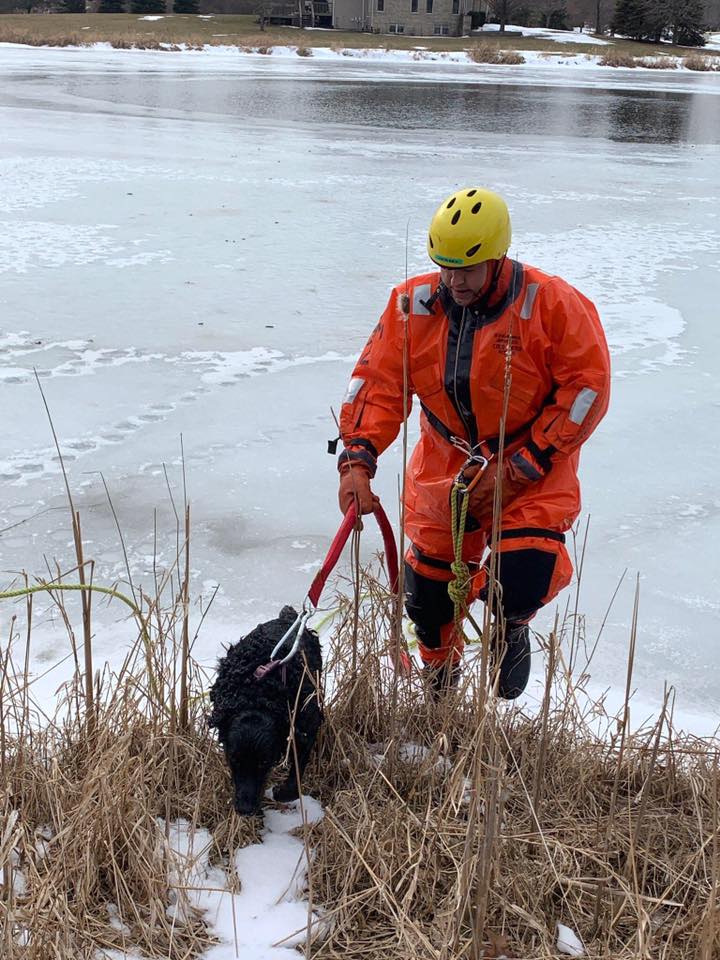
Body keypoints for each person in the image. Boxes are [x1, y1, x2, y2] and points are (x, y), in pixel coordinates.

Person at [336, 187, 610, 699]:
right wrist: (356, 461)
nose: (454, 281)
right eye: (445, 267)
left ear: (497, 257)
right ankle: (440, 684)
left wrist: (516, 471)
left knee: (521, 576)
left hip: (530, 468)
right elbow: (377, 385)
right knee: (428, 599)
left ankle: (510, 625)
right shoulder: (411, 306)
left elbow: (586, 390)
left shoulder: (552, 305)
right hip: (445, 468)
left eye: (467, 269)